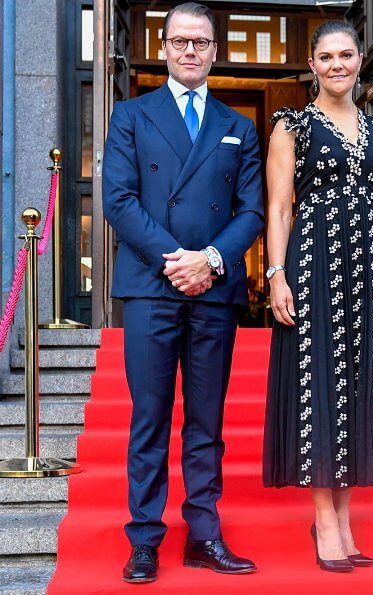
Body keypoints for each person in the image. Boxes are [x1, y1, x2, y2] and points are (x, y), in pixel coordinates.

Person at [102, 2, 263, 583]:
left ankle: (204, 534)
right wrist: (178, 261)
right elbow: (118, 200)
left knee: (206, 421)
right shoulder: (131, 115)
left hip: (213, 290)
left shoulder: (238, 125)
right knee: (149, 416)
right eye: (179, 42)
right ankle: (144, 538)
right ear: (164, 47)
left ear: (215, 50)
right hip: (152, 287)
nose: (190, 51)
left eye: (200, 42)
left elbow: (252, 211)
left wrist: (210, 261)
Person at [263, 20, 373, 572]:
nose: (337, 65)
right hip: (314, 269)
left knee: (358, 390)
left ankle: (345, 519)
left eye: (346, 55)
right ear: (312, 63)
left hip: (368, 273)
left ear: (359, 61)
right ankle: (324, 519)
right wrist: (276, 275)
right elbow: (280, 208)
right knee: (318, 388)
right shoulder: (293, 126)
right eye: (326, 57)